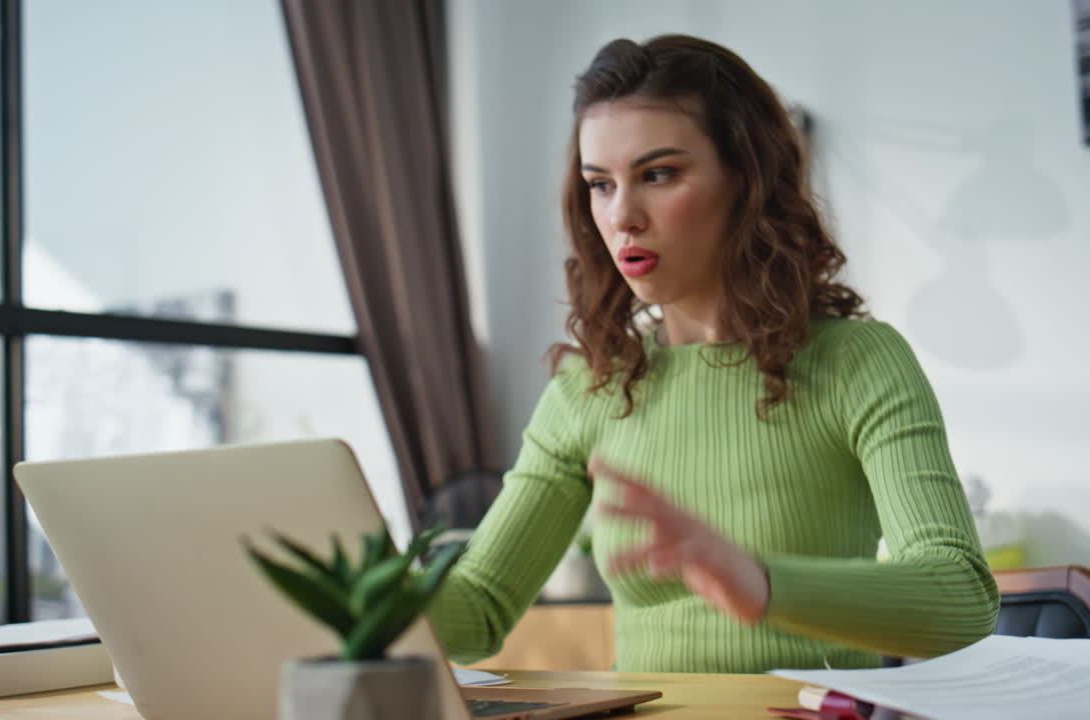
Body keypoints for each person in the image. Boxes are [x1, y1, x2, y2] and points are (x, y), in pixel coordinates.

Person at [428, 34, 998, 673]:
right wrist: (348, 597)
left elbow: (963, 598)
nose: (622, 218)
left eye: (659, 174)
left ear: (746, 181)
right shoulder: (588, 386)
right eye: (600, 184)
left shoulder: (858, 362)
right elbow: (477, 609)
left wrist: (760, 584)